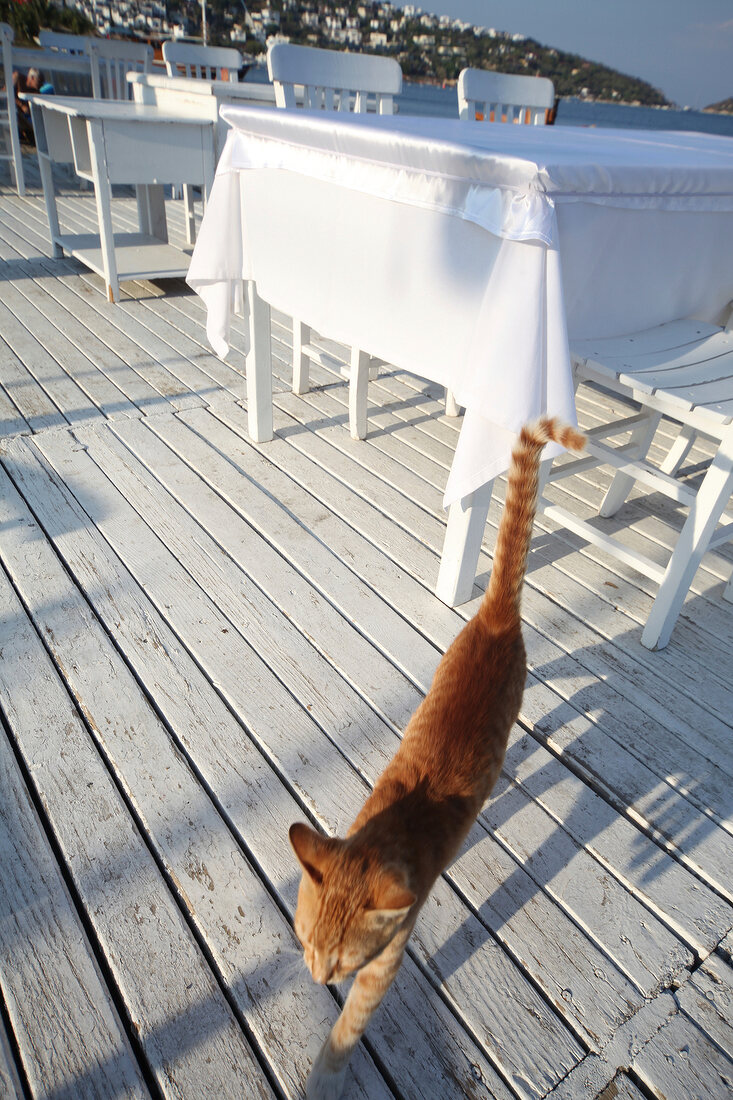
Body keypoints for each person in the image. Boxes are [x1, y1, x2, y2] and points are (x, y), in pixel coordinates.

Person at [12, 67, 53, 143]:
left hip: (23, 117)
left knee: (35, 137)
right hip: (12, 109)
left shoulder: (37, 93)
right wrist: (21, 105)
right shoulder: (18, 77)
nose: (41, 85)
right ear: (32, 78)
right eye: (40, 82)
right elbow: (7, 94)